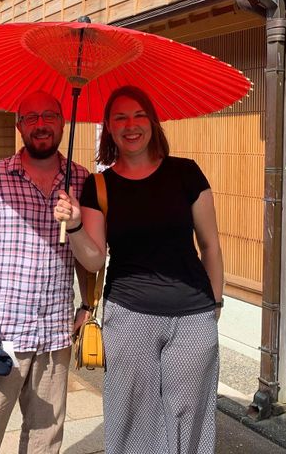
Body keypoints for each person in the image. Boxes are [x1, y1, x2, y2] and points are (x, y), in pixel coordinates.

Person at [53, 85, 224, 454]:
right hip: (129, 315)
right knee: (132, 419)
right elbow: (95, 259)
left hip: (194, 315)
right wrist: (78, 222)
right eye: (120, 118)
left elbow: (210, 245)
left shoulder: (186, 173)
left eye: (138, 115)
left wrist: (216, 304)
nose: (130, 125)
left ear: (152, 122)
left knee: (190, 415)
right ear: (109, 129)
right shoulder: (99, 185)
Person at [0, 91, 91, 454]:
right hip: (3, 333)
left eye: (49, 116)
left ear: (63, 123)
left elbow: (88, 253)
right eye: (31, 118)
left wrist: (88, 302)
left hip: (55, 334)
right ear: (19, 126)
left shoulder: (80, 180)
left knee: (46, 438)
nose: (41, 124)